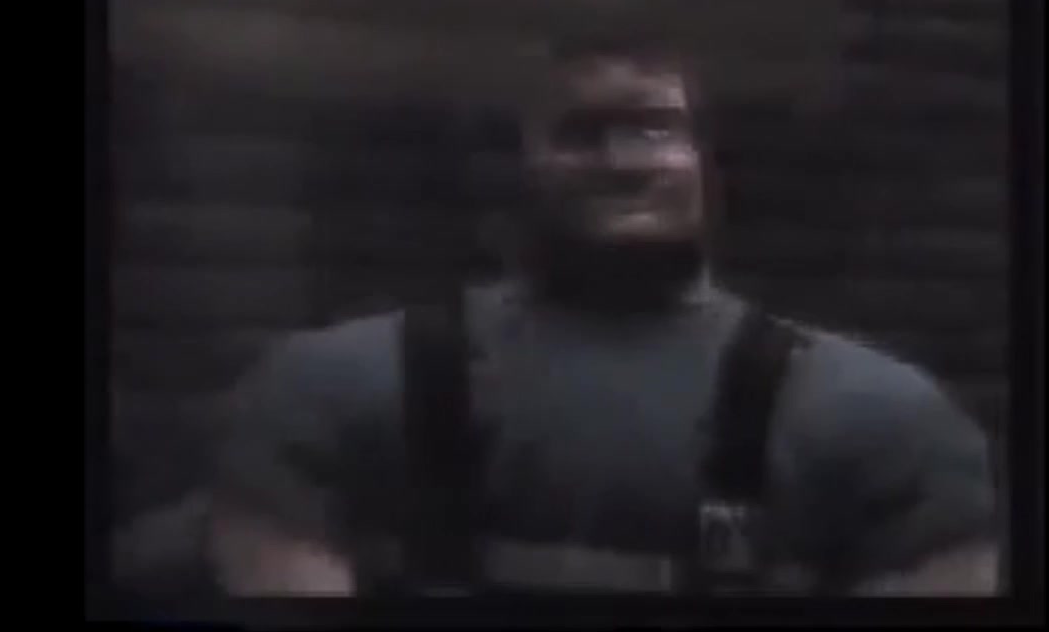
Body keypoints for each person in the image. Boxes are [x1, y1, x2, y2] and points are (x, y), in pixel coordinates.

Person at [205, 39, 999, 596]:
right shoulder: (330, 387)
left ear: (707, 164)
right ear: (523, 165)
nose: (622, 163)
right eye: (582, 135)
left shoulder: (885, 416)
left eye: (654, 129)